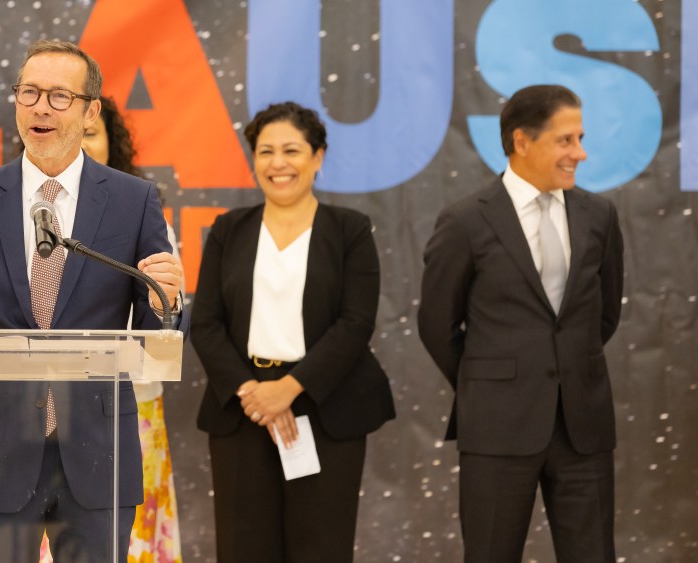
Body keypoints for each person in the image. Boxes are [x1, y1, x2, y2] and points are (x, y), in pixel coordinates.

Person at [0, 40, 187, 562]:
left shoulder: (134, 201)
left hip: (97, 451)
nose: (40, 107)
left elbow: (164, 332)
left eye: (59, 96)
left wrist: (166, 302)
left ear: (90, 112)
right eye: (30, 92)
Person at [418, 84, 624, 563]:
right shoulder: (466, 220)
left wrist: (566, 370)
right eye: (565, 140)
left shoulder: (599, 215)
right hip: (497, 427)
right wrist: (490, 383)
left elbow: (604, 314)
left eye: (580, 138)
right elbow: (436, 325)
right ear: (522, 141)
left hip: (583, 428)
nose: (580, 153)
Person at [191, 101, 395, 563]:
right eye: (265, 152)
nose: (277, 164)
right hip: (244, 410)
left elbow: (356, 322)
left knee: (320, 548)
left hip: (326, 408)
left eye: (291, 150)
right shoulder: (229, 229)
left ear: (318, 157)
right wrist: (253, 392)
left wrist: (288, 389)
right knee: (244, 549)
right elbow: (205, 324)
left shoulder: (350, 230)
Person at [39, 96, 184, 562]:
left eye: (92, 134)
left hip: (122, 406)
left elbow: (162, 317)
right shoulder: (27, 210)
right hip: (34, 412)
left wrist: (168, 300)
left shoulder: (139, 209)